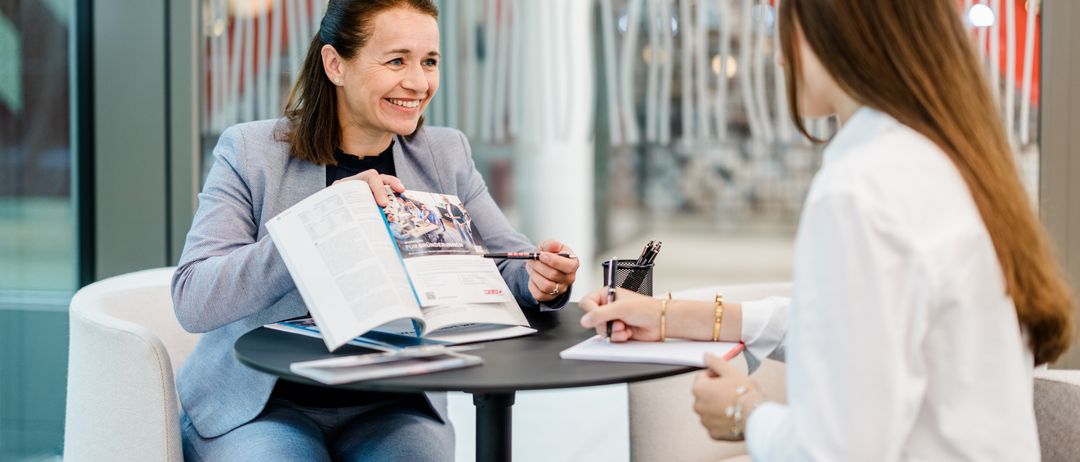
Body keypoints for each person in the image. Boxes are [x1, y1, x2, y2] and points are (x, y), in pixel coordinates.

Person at [579, 1, 1075, 459]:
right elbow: (857, 327)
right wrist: (667, 316)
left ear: (835, 24)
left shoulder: (858, 191)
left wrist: (745, 412)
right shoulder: (947, 161)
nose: (778, 57)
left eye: (785, 22)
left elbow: (837, 451)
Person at [171, 1, 580, 460]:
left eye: (429, 61)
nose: (419, 82)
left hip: (393, 403)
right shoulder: (250, 152)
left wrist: (542, 281)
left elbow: (507, 261)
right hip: (263, 405)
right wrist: (322, 223)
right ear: (335, 64)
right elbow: (194, 299)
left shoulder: (445, 153)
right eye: (396, 60)